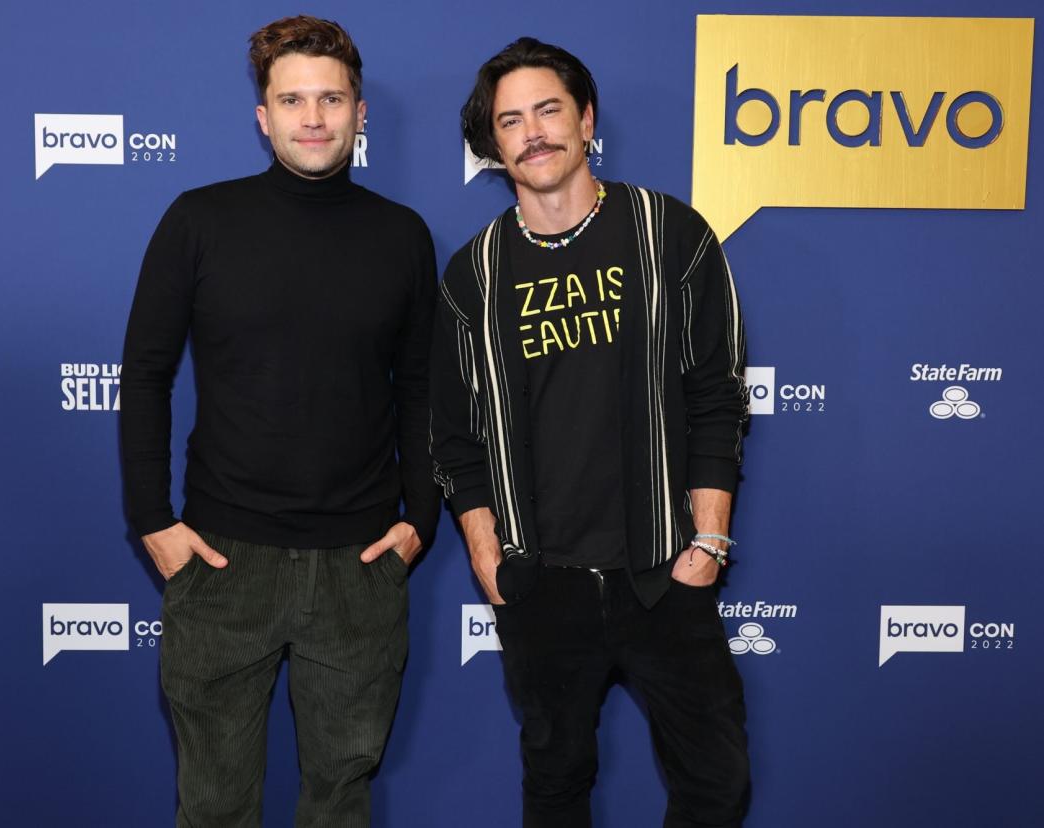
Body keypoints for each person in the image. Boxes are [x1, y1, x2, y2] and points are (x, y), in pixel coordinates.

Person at [119, 15, 440, 827]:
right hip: (224, 564)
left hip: (360, 567)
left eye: (331, 98)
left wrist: (419, 522)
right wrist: (151, 520)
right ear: (262, 116)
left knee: (339, 804)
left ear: (359, 112)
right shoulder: (198, 219)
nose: (313, 117)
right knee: (215, 807)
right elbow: (146, 376)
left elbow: (422, 388)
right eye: (291, 99)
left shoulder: (401, 236)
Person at [430, 37, 751, 828]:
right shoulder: (473, 274)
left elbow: (715, 397)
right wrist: (487, 558)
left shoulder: (668, 233)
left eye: (548, 110)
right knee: (554, 788)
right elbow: (455, 436)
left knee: (716, 784)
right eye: (511, 120)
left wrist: (705, 546)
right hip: (542, 587)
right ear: (494, 143)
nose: (533, 132)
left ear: (586, 120)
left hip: (662, 573)